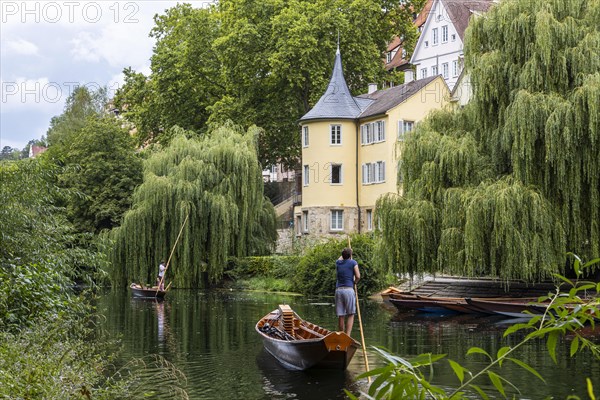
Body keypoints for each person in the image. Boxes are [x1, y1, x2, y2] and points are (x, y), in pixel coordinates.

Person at [335, 247, 360, 336]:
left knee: (341, 315)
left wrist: (347, 252)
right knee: (350, 314)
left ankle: (341, 334)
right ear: (350, 256)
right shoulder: (353, 262)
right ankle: (347, 335)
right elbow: (358, 276)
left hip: (338, 291)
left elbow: (340, 258)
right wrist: (355, 282)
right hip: (349, 290)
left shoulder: (338, 263)